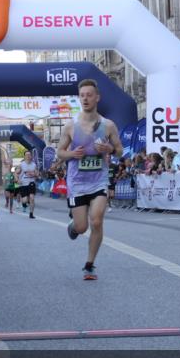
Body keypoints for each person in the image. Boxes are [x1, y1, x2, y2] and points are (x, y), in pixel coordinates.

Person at [58, 78, 124, 281]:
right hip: (77, 183)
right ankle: (73, 226)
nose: (85, 99)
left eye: (89, 95)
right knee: (81, 227)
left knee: (96, 220)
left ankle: (89, 265)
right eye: (82, 95)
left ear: (97, 97)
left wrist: (110, 149)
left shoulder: (108, 125)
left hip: (99, 181)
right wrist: (71, 155)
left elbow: (120, 151)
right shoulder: (71, 126)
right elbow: (60, 153)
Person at [16, 150, 38, 218]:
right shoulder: (21, 165)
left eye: (29, 155)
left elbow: (37, 174)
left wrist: (34, 174)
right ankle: (24, 204)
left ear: (31, 156)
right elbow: (15, 173)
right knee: (24, 200)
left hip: (31, 183)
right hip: (23, 184)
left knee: (32, 198)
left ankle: (31, 214)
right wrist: (17, 180)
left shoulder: (34, 165)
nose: (28, 156)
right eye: (27, 155)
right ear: (24, 156)